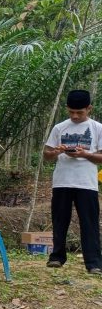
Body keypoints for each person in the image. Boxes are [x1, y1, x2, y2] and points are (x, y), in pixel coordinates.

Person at [43, 89, 102, 274]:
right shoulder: (60, 128)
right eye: (71, 112)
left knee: (89, 223)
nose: (75, 116)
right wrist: (57, 152)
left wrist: (86, 154)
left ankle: (94, 263)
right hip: (62, 182)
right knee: (60, 220)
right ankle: (57, 257)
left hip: (87, 183)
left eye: (80, 112)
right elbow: (47, 155)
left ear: (89, 109)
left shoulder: (97, 128)